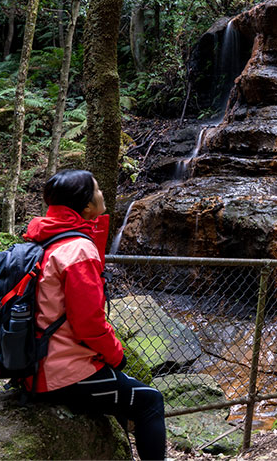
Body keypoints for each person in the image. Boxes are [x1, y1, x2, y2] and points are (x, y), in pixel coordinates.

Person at [25, 169, 166, 460]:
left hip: (33, 365)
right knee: (150, 401)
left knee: (125, 391)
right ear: (87, 206)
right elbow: (88, 323)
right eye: (98, 190)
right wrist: (117, 355)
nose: (103, 194)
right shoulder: (78, 249)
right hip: (60, 374)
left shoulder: (44, 239)